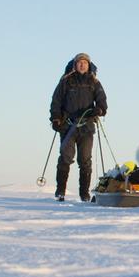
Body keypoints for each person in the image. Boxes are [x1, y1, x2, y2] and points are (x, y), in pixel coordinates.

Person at [49, 52, 107, 202]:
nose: (82, 65)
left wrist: (99, 110)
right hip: (68, 127)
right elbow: (56, 101)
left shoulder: (94, 82)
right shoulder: (66, 81)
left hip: (86, 127)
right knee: (65, 158)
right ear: (75, 65)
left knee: (85, 160)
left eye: (85, 63)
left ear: (89, 65)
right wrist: (55, 119)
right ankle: (60, 191)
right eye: (80, 62)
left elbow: (102, 101)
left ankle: (84, 194)